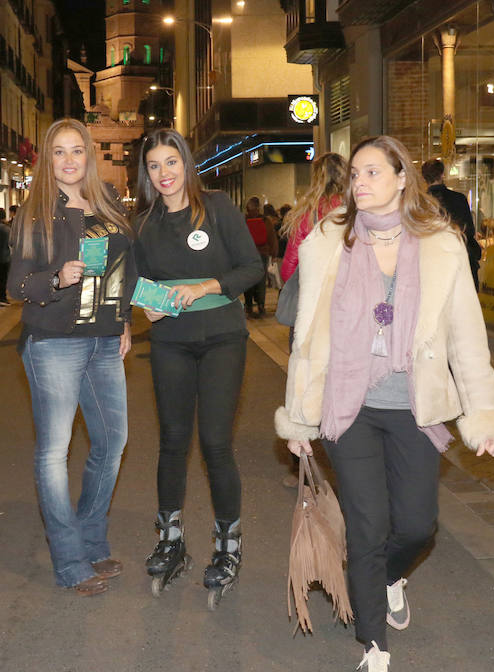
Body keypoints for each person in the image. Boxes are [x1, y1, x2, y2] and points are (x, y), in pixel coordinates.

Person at [275, 136, 494, 672]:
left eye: (372, 173)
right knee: (367, 525)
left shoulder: (440, 245)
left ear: (402, 178)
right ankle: (374, 645)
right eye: (355, 174)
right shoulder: (329, 241)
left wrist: (484, 413)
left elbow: (466, 339)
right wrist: (298, 417)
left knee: (415, 526)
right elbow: (308, 339)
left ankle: (385, 576)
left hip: (413, 404)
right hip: (348, 405)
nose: (359, 183)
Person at [132, 128, 263, 604]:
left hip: (223, 338)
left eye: (171, 162)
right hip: (170, 342)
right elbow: (138, 279)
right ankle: (171, 539)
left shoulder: (218, 208)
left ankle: (228, 547)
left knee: (214, 442)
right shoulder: (144, 223)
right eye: (154, 166)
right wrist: (147, 305)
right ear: (146, 174)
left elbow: (251, 267)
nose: (164, 174)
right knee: (171, 440)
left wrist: (205, 287)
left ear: (186, 163)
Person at [8, 118, 136, 596]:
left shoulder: (109, 205)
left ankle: (91, 537)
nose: (68, 160)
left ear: (89, 155)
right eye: (58, 152)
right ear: (48, 159)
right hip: (53, 341)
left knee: (112, 442)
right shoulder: (36, 213)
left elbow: (123, 271)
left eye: (76, 150)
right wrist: (57, 277)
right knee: (53, 453)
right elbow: (16, 284)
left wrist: (124, 321)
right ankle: (69, 560)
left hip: (104, 341)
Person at [276, 152, 347, 488]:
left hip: (310, 312)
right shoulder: (354, 211)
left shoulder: (305, 213)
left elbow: (289, 267)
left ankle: (301, 462)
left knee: (304, 381)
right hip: (345, 312)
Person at [421, 159, 482, 291]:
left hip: (432, 265)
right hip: (461, 262)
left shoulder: (420, 203)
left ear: (424, 177)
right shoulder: (458, 198)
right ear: (442, 174)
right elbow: (469, 231)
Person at [242, 197, 277, 318]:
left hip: (246, 255)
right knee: (261, 280)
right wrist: (274, 254)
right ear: (259, 207)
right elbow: (271, 237)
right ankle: (261, 305)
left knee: (247, 280)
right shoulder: (265, 220)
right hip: (263, 253)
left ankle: (249, 306)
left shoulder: (243, 220)